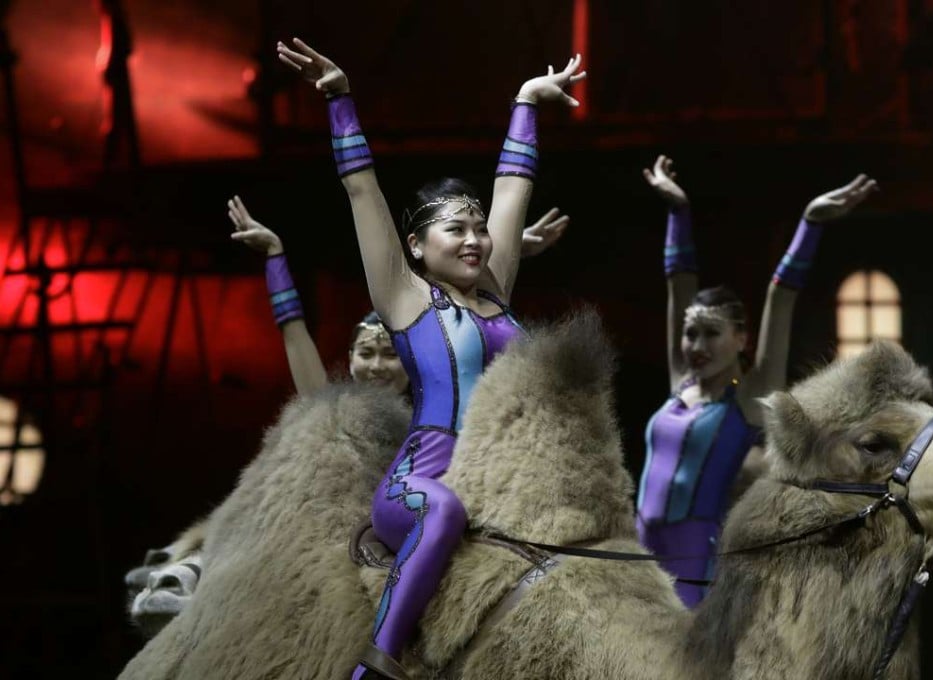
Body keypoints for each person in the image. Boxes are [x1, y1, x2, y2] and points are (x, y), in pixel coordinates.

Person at [277, 36, 585, 679]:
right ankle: (377, 664)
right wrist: (339, 98)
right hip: (419, 488)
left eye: (479, 229)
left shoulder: (495, 288)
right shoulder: (404, 299)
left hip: (498, 482)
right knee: (440, 511)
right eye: (457, 230)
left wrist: (527, 102)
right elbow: (363, 191)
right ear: (416, 247)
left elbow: (512, 187)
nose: (476, 240)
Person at [636, 155, 877, 608]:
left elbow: (781, 296)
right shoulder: (679, 383)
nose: (696, 344)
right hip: (635, 553)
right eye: (690, 333)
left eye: (712, 333)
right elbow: (678, 283)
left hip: (693, 565)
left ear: (741, 339)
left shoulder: (746, 399)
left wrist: (810, 224)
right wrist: (678, 210)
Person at [226, 195, 569, 396]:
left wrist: (499, 254)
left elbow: (457, 301)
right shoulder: (340, 419)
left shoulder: (443, 408)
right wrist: (274, 256)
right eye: (366, 353)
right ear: (350, 359)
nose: (376, 366)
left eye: (390, 354)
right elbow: (295, 334)